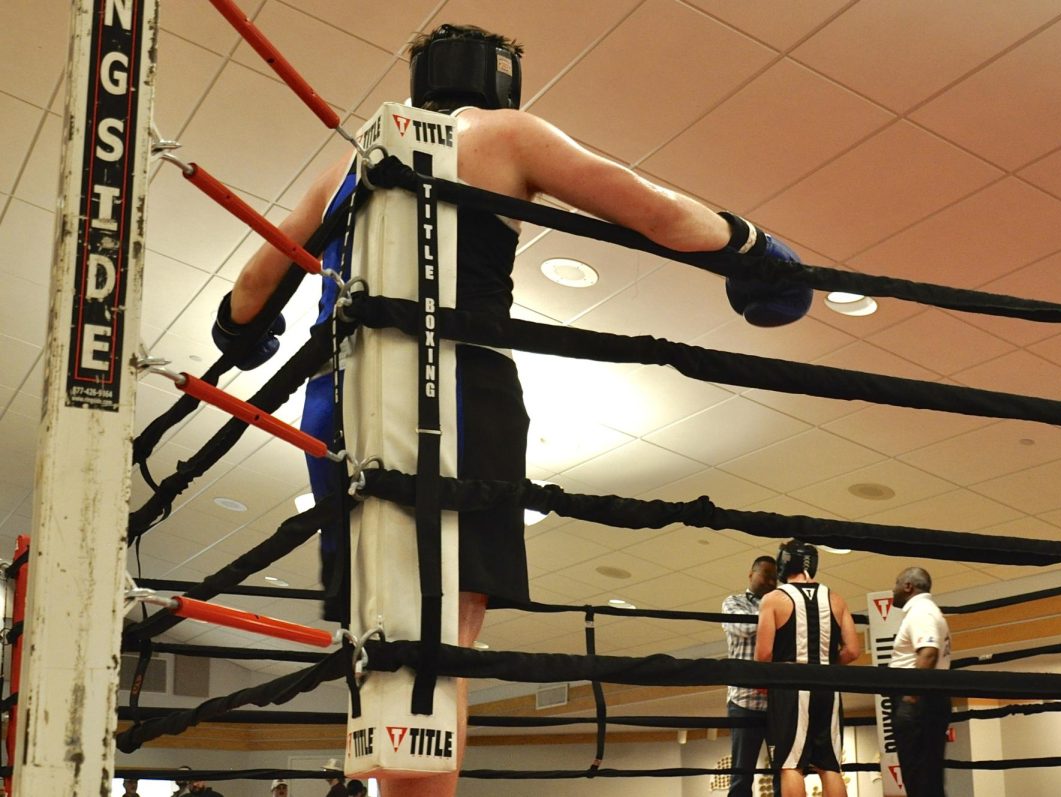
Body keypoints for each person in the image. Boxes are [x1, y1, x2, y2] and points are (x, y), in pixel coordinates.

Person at [216, 23, 812, 797]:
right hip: (460, 393)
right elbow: (655, 213)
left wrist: (243, 338)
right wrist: (756, 249)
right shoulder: (506, 134)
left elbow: (245, 302)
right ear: (501, 81)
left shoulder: (345, 165)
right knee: (445, 640)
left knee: (387, 633)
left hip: (336, 413)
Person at [755, 540, 859, 797]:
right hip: (828, 687)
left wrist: (767, 684)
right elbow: (853, 650)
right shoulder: (836, 599)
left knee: (791, 764)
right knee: (830, 765)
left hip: (791, 688)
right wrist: (825, 666)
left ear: (784, 562)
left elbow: (763, 654)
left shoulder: (774, 599)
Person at [889, 566, 952, 797]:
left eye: (896, 583)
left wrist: (910, 699)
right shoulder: (928, 610)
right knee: (925, 778)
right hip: (927, 700)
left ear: (908, 586)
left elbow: (928, 652)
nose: (892, 589)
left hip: (920, 703)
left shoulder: (921, 612)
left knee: (920, 778)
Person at [721, 555, 778, 797]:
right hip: (745, 701)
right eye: (766, 575)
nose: (771, 582)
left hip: (778, 701)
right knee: (741, 774)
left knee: (784, 771)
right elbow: (742, 628)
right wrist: (776, 617)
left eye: (775, 578)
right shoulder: (733, 602)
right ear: (751, 574)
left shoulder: (779, 604)